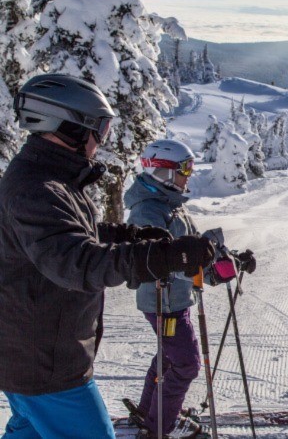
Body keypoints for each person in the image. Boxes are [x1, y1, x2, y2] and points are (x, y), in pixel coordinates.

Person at [0, 74, 216, 439]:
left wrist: (130, 236)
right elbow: (76, 262)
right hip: (45, 363)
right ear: (70, 126)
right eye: (100, 128)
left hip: (33, 355)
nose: (102, 139)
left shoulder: (51, 180)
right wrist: (165, 257)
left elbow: (69, 237)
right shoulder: (38, 189)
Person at [124, 139, 256, 438]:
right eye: (185, 168)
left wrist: (231, 260)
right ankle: (161, 427)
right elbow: (163, 262)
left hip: (174, 300)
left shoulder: (171, 206)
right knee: (186, 364)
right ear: (164, 171)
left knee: (168, 358)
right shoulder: (149, 213)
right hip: (164, 302)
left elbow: (197, 249)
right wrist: (211, 272)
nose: (189, 174)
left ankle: (151, 413)